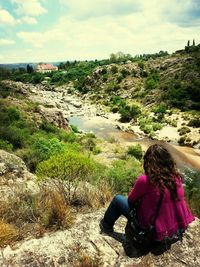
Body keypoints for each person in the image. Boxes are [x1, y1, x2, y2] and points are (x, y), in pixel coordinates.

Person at [100, 144, 195, 248]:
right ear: (168, 161)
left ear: (148, 162)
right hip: (172, 230)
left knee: (118, 200)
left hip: (152, 232)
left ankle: (106, 226)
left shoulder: (146, 180)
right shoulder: (177, 178)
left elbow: (131, 200)